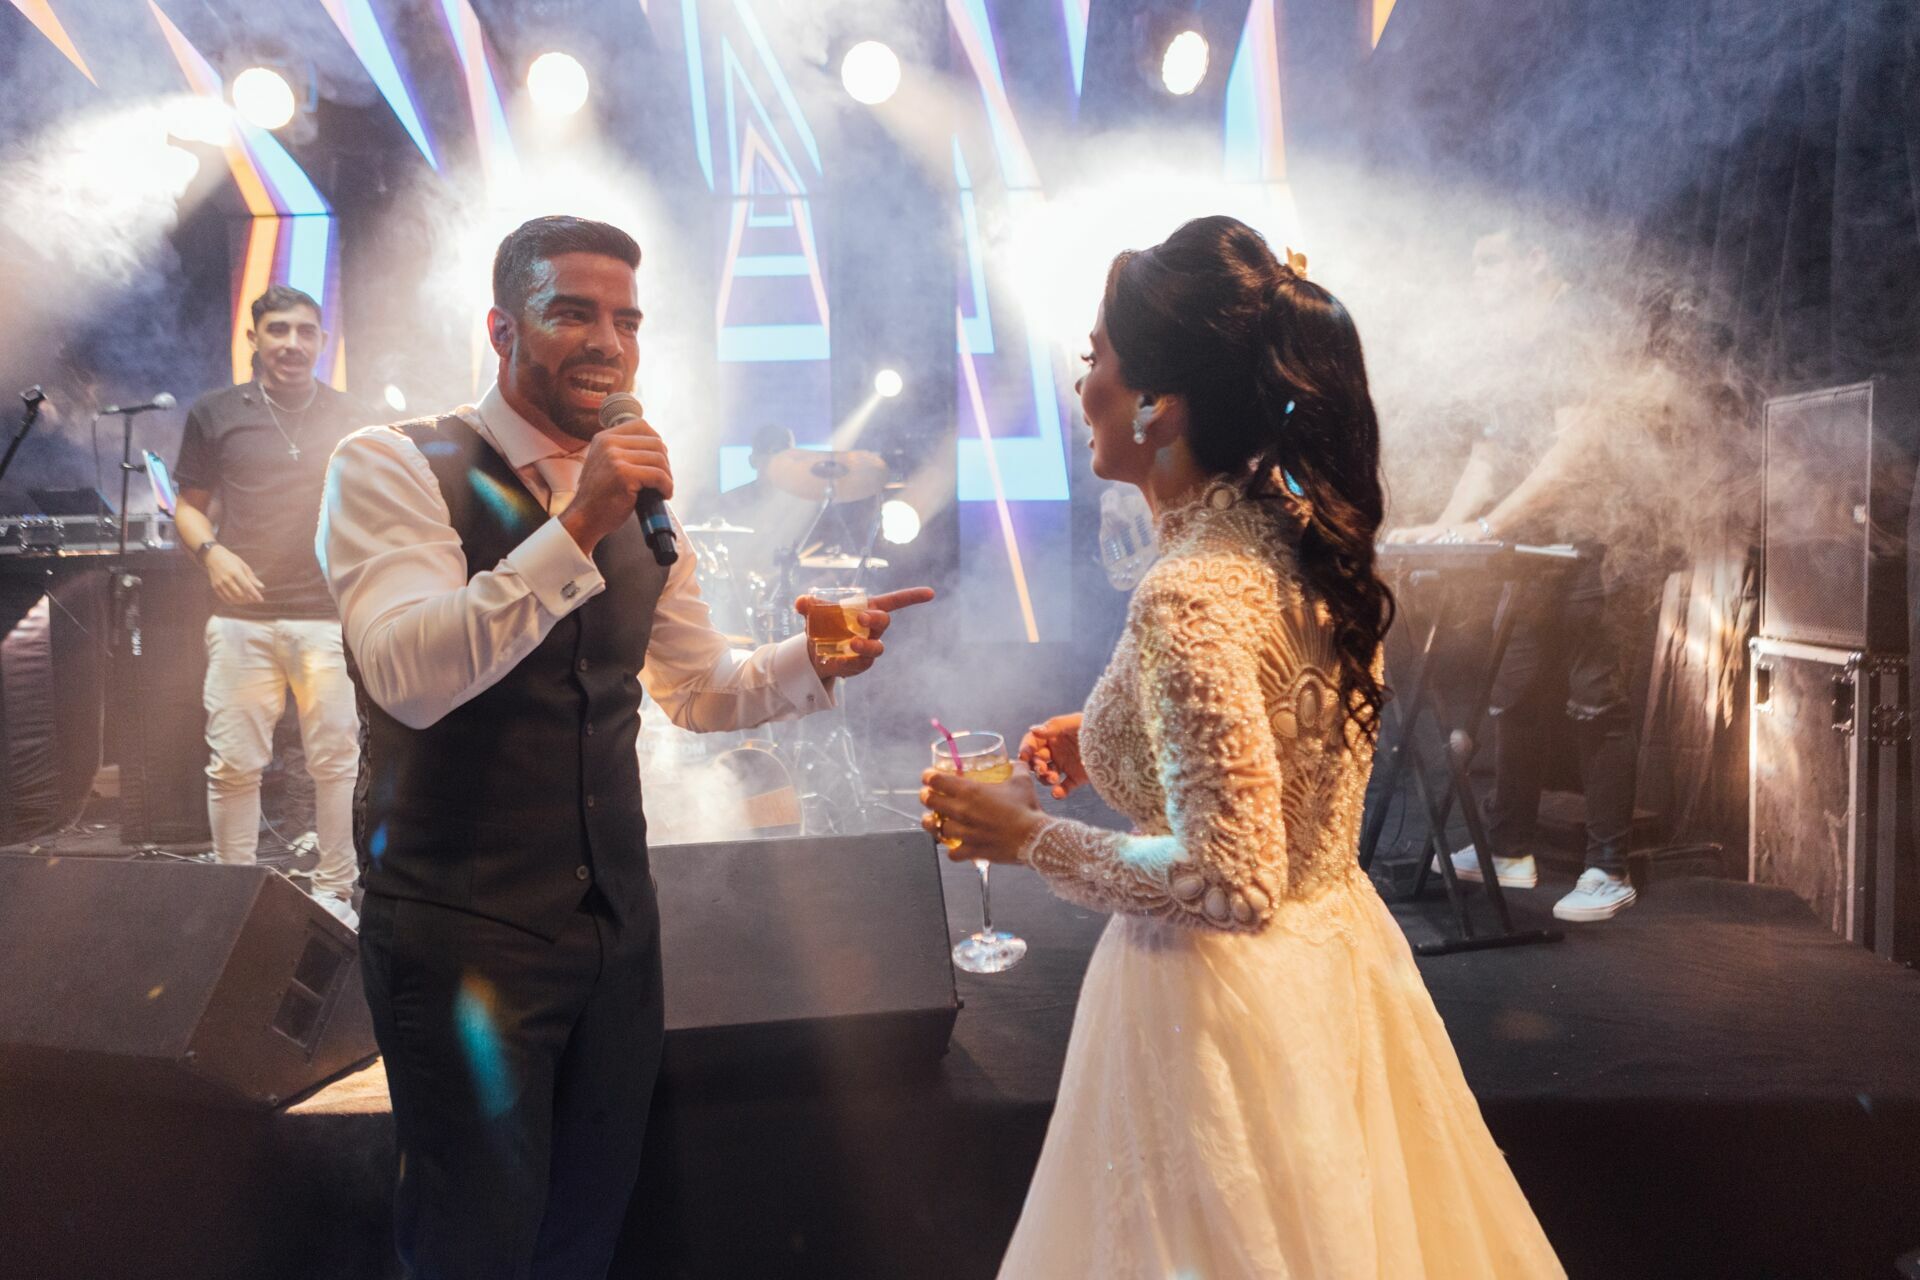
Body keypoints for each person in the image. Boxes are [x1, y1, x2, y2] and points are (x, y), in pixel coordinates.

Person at [920, 216, 1563, 1278]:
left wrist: (1025, 836)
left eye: (1095, 361)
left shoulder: (1190, 590)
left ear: (1156, 403)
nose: (1080, 387)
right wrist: (1112, 732)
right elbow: (1281, 726)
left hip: (1217, 1016)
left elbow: (1231, 877)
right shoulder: (1292, 541)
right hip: (1336, 968)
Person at [317, 215, 930, 1280]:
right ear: (503, 327)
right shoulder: (393, 465)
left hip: (613, 937)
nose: (608, 339)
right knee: (476, 1243)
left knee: (584, 1235)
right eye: (574, 312)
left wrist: (812, 658)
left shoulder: (643, 504)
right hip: (462, 937)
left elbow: (697, 687)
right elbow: (409, 677)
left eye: (627, 319)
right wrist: (582, 518)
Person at [1388, 230, 1640, 923]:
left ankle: (1608, 867)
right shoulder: (1514, 345)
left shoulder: (1577, 324)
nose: (1480, 276)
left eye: (1492, 259)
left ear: (1539, 257)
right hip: (1537, 552)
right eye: (1475, 261)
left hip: (1600, 543)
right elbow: (1491, 453)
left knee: (1595, 705)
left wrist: (1489, 526)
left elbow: (1574, 452)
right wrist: (1445, 524)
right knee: (1515, 693)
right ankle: (1508, 850)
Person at [173, 284, 364, 928]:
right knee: (234, 763)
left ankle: (336, 890)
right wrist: (213, 555)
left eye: (305, 331)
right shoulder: (216, 412)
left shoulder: (351, 415)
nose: (292, 343)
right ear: (253, 339)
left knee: (336, 761)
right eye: (278, 330)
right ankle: (234, 894)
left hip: (328, 616)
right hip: (241, 621)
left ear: (321, 341)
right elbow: (189, 506)